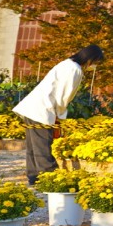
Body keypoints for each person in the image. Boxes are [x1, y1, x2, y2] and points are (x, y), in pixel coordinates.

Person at [12, 44, 104, 185]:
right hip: (43, 109)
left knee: (33, 145)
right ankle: (50, 179)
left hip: (32, 107)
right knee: (43, 144)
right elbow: (64, 95)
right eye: (96, 62)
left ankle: (34, 177)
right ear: (91, 59)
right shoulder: (75, 69)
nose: (94, 66)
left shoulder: (66, 63)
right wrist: (59, 115)